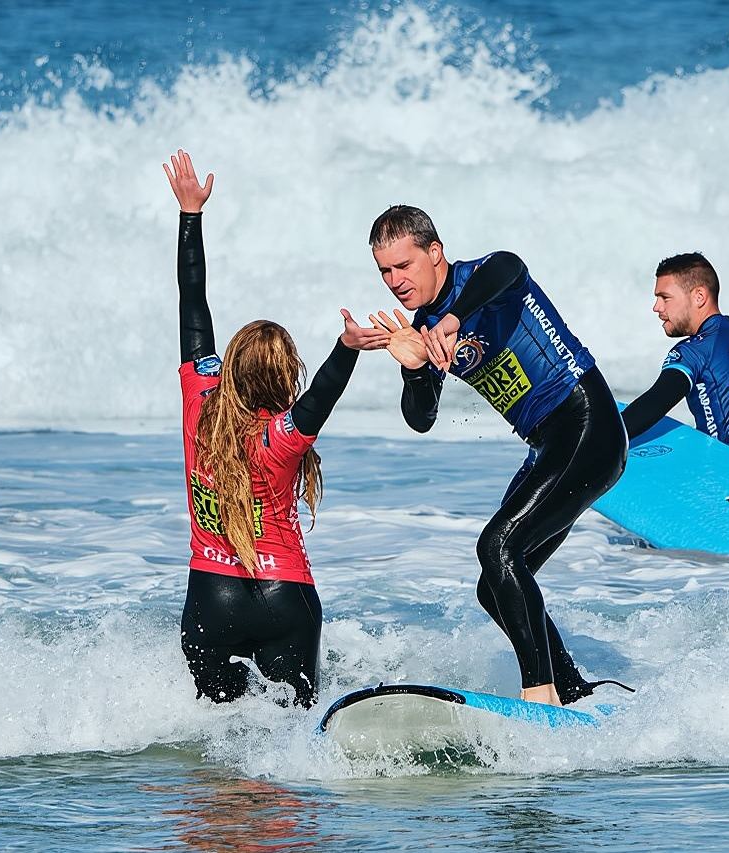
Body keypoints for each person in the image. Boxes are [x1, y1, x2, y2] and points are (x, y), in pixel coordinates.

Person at [366, 205, 632, 707]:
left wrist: (452, 318)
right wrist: (415, 368)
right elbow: (420, 419)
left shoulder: (482, 278)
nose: (395, 281)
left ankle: (541, 694)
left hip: (587, 425)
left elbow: (510, 265)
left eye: (405, 266)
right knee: (495, 585)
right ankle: (572, 690)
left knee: (497, 548)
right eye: (385, 271)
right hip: (549, 446)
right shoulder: (424, 328)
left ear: (435, 252)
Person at [165, 150, 388, 708]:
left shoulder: (201, 400)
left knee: (216, 745)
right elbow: (322, 397)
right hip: (283, 597)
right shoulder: (284, 437)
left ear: (232, 364)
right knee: (287, 749)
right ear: (287, 372)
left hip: (209, 598)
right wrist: (347, 348)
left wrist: (191, 215)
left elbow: (194, 306)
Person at [620, 253, 729, 476]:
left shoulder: (695, 350)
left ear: (699, 296)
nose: (656, 307)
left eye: (664, 297)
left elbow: (656, 403)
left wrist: (600, 439)